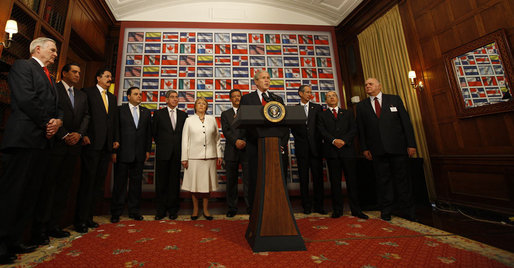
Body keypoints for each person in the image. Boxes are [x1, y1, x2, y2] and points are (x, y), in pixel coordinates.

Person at [0, 37, 62, 264]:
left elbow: (58, 107)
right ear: (38, 48)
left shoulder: (50, 77)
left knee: (29, 195)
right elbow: (27, 99)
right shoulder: (22, 66)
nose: (55, 54)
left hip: (42, 143)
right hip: (24, 140)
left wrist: (59, 122)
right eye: (53, 50)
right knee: (12, 194)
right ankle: (1, 244)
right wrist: (48, 122)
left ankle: (15, 240)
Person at [32, 63, 89, 246]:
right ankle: (40, 228)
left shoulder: (81, 95)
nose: (77, 75)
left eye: (79, 72)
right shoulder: (54, 89)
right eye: (74, 71)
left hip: (73, 148)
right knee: (49, 187)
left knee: (64, 187)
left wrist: (79, 134)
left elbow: (86, 116)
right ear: (64, 73)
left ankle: (55, 224)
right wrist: (64, 134)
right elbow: (52, 112)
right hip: (56, 145)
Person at [356, 78, 417, 221]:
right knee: (383, 181)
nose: (367, 86)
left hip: (398, 148)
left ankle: (407, 210)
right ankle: (386, 210)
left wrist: (411, 144)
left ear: (379, 86)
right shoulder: (362, 106)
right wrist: (364, 148)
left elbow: (406, 123)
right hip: (377, 150)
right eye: (365, 85)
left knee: (402, 180)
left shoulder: (394, 99)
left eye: (370, 84)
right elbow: (361, 129)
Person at [240, 70, 289, 213]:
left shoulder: (277, 99)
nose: (266, 80)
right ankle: (256, 209)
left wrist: (281, 142)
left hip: (275, 146)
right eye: (263, 78)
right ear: (255, 81)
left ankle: (276, 208)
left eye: (268, 78)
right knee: (256, 178)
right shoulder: (247, 99)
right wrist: (261, 137)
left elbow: (284, 124)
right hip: (255, 146)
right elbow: (245, 123)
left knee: (275, 178)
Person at [75, 69, 118, 233]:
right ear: (98, 78)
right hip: (91, 144)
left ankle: (89, 218)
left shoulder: (112, 98)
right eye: (107, 76)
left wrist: (114, 140)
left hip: (106, 147)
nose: (110, 78)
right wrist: (83, 134)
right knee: (87, 183)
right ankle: (80, 221)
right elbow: (83, 115)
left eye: (110, 76)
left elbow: (112, 122)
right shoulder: (88, 92)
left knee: (98, 184)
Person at [318, 91, 368, 219]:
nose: (331, 98)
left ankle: (356, 210)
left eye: (333, 95)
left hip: (348, 151)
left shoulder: (348, 113)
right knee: (335, 183)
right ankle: (337, 210)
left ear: (338, 98)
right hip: (332, 152)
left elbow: (354, 129)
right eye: (328, 96)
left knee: (352, 181)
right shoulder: (322, 115)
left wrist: (344, 141)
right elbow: (321, 130)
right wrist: (334, 141)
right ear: (326, 101)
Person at [110, 87, 152, 223]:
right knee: (119, 184)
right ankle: (116, 212)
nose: (139, 96)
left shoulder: (146, 112)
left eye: (140, 94)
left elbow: (148, 134)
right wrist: (114, 151)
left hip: (139, 154)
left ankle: (134, 211)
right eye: (136, 94)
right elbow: (115, 130)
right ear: (128, 96)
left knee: (136, 185)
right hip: (122, 153)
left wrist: (147, 150)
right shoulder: (120, 110)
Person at [181, 97, 222, 220]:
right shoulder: (189, 120)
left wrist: (219, 154)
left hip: (209, 157)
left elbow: (217, 139)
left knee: (206, 185)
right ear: (195, 106)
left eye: (204, 103)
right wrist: (184, 158)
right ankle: (195, 209)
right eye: (199, 103)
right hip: (193, 157)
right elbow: (185, 140)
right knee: (194, 185)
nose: (201, 105)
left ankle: (205, 209)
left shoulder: (212, 120)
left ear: (206, 107)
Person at [290, 85, 326, 215]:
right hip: (301, 148)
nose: (309, 94)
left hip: (316, 148)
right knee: (303, 178)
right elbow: (293, 128)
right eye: (307, 92)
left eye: (311, 92)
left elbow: (320, 126)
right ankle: (306, 205)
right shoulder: (294, 109)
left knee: (318, 178)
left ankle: (319, 206)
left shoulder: (317, 107)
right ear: (300, 93)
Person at [152, 90, 188, 220]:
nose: (175, 99)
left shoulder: (183, 115)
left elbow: (185, 135)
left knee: (174, 182)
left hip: (178, 153)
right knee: (161, 182)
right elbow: (154, 133)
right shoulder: (158, 114)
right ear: (166, 100)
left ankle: (173, 209)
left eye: (176, 97)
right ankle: (160, 210)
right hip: (163, 152)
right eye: (172, 97)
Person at [221, 89, 250, 217]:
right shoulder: (225, 114)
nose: (237, 98)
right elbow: (226, 131)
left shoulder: (247, 112)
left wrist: (243, 141)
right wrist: (236, 141)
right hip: (231, 150)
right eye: (234, 96)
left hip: (246, 149)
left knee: (248, 180)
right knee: (231, 181)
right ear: (230, 99)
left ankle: (250, 206)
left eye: (239, 96)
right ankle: (232, 207)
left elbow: (250, 129)